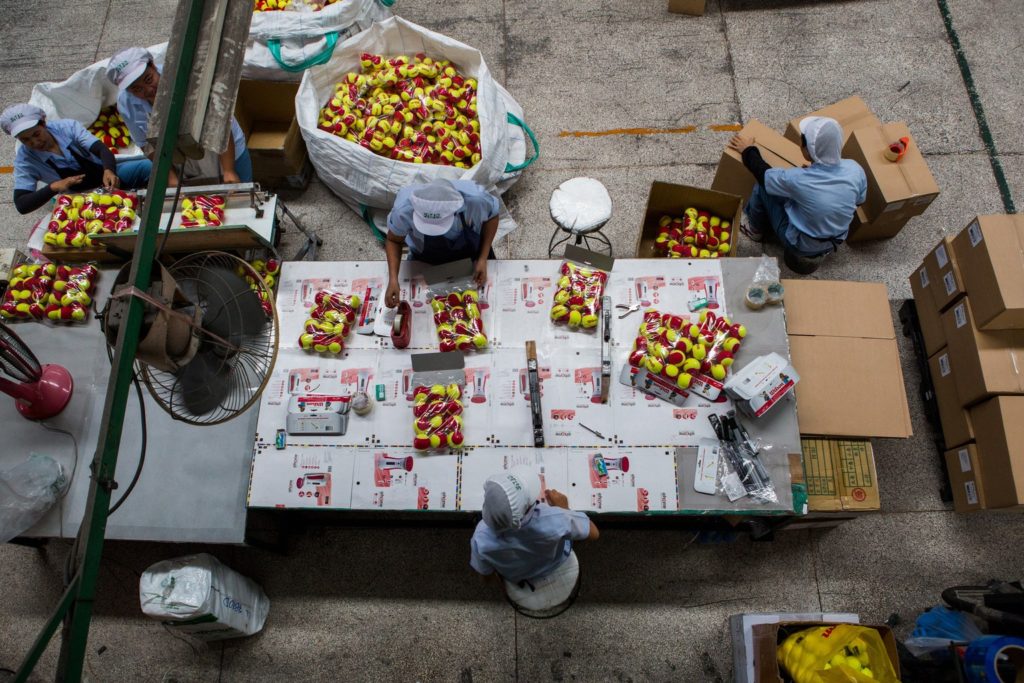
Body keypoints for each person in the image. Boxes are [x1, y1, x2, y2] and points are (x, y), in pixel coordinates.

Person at [728, 116, 867, 274]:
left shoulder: (798, 179)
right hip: (834, 241)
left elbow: (764, 176)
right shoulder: (855, 169)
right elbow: (859, 202)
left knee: (763, 188)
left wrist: (748, 150)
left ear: (808, 150)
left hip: (800, 244)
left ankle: (754, 230)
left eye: (802, 141)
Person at [106, 47, 252, 187]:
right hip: (184, 162)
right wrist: (170, 175)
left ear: (153, 65)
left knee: (241, 196)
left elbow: (219, 125)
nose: (148, 90)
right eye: (137, 89)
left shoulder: (187, 80)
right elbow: (146, 143)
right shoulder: (126, 104)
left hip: (227, 151)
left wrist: (229, 170)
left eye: (149, 80)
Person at [469, 467, 599, 605]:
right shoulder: (555, 518)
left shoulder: (480, 538)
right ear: (526, 510)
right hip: (553, 563)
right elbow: (594, 533)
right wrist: (564, 508)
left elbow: (486, 576)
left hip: (516, 575)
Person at [2, 104, 151, 214]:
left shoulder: (67, 127)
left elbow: (101, 149)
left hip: (107, 176)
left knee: (150, 167)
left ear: (44, 124)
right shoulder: (25, 161)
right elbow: (22, 204)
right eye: (26, 140)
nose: (35, 143)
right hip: (79, 198)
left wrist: (109, 170)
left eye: (36, 134)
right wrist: (54, 187)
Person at [383, 179, 499, 308]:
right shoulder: (403, 210)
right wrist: (393, 279)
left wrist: (482, 259)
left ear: (455, 210)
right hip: (426, 261)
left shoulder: (476, 200)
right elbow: (393, 240)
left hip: (473, 257)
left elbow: (492, 216)